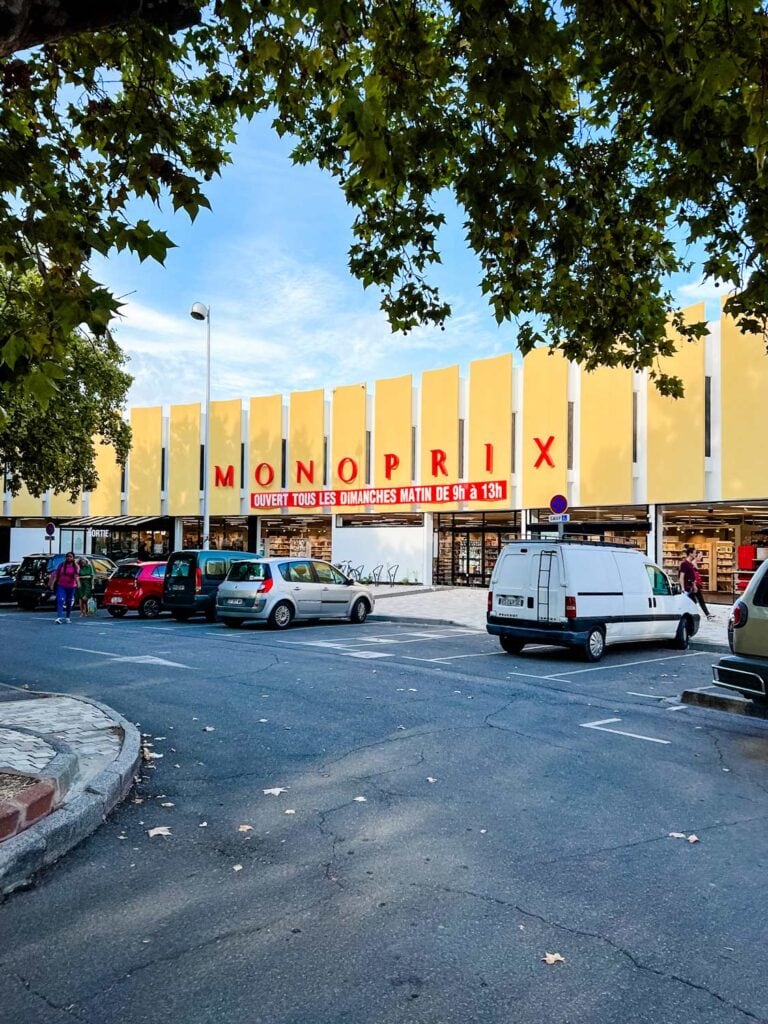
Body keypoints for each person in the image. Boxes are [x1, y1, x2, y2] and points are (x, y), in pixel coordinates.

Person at [51, 552, 79, 624]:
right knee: (60, 600)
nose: (69, 558)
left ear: (73, 558)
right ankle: (59, 617)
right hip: (61, 585)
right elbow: (56, 574)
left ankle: (68, 617)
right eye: (67, 556)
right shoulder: (62, 565)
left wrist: (78, 583)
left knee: (69, 602)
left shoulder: (75, 566)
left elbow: (77, 575)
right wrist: (52, 583)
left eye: (70, 557)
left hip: (71, 586)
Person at [692, 549, 716, 621]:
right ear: (696, 556)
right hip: (694, 586)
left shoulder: (694, 563)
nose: (701, 557)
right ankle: (707, 615)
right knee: (699, 600)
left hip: (695, 585)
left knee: (697, 601)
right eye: (700, 556)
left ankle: (707, 614)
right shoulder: (693, 564)